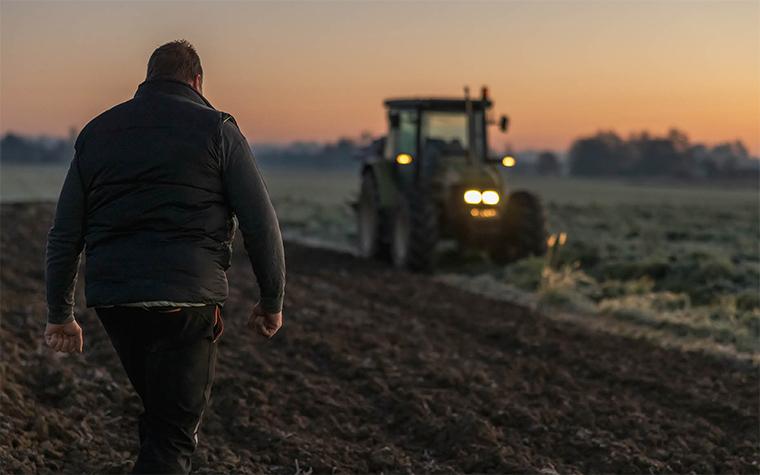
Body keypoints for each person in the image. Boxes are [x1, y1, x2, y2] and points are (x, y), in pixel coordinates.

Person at [44, 40, 286, 474]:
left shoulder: (97, 132)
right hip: (186, 303)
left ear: (149, 78)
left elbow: (65, 233)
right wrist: (271, 302)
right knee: (174, 436)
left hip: (116, 304)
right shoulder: (218, 129)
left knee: (162, 420)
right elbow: (261, 223)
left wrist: (60, 313)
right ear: (197, 81)